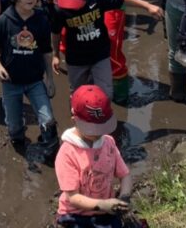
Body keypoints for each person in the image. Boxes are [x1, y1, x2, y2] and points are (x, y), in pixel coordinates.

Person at [50, 0, 162, 100]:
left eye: (76, 0)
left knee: (105, 93)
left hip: (100, 55)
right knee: (77, 93)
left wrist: (148, 6)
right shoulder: (59, 9)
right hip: (75, 58)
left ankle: (103, 111)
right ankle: (77, 111)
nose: (73, 6)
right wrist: (55, 55)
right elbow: (55, 33)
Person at [0, 0, 57, 154]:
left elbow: (46, 51)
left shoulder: (41, 19)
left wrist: (50, 79)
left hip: (35, 81)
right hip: (10, 82)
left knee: (48, 120)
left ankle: (50, 148)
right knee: (14, 126)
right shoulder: (4, 20)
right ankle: (18, 140)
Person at [54, 84, 134, 226]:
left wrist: (124, 197)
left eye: (101, 127)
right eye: (92, 129)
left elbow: (125, 175)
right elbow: (73, 197)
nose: (98, 133)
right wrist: (101, 204)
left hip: (105, 210)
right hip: (76, 213)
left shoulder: (108, 143)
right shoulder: (67, 153)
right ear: (74, 119)